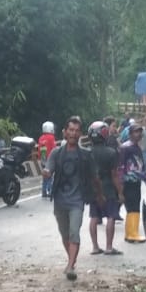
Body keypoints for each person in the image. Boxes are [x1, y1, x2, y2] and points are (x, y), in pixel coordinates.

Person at [43, 117, 95, 281]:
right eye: (70, 130)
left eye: (76, 130)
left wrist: (99, 195)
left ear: (80, 133)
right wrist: (46, 172)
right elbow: (49, 169)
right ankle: (71, 259)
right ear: (65, 132)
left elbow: (94, 178)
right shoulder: (56, 153)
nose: (73, 133)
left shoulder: (86, 155)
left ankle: (71, 265)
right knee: (65, 234)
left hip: (77, 201)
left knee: (74, 232)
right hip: (60, 200)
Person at [87, 122, 123, 255]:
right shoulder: (111, 152)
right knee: (111, 217)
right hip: (108, 188)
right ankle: (109, 247)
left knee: (94, 217)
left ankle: (95, 247)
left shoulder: (87, 153)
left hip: (94, 189)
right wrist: (120, 191)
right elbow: (114, 175)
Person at [118, 123, 146, 244]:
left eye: (140, 132)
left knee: (135, 206)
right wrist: (120, 184)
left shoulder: (137, 147)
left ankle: (132, 232)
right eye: (136, 132)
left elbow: (141, 167)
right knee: (132, 207)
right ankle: (132, 233)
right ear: (130, 134)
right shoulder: (125, 148)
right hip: (128, 181)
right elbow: (121, 167)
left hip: (136, 181)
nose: (139, 134)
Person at [37, 120, 57, 198]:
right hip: (50, 159)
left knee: (44, 176)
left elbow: (39, 149)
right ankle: (50, 190)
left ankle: (44, 192)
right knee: (50, 176)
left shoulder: (41, 138)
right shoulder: (51, 138)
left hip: (43, 159)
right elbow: (54, 148)